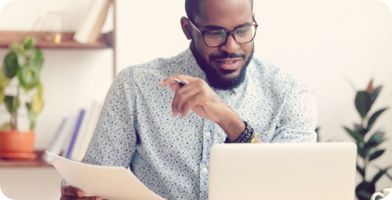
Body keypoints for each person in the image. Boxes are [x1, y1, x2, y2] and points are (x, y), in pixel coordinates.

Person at [60, 0, 317, 199]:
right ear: (187, 28)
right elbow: (96, 180)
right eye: (215, 33)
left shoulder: (290, 95)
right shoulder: (135, 86)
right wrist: (82, 194)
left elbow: (291, 190)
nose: (231, 47)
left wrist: (228, 120)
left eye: (242, 30)